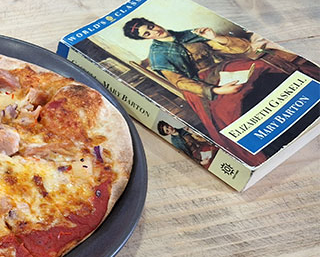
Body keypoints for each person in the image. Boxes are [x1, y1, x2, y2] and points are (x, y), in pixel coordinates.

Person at [123, 18, 310, 165]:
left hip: (223, 68)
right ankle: (275, 139)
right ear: (146, 38)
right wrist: (217, 89)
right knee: (229, 107)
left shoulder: (189, 34)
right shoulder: (158, 55)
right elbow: (180, 82)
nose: (154, 30)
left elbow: (243, 47)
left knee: (260, 67)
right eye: (147, 33)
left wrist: (214, 37)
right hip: (202, 87)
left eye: (150, 25)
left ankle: (304, 107)